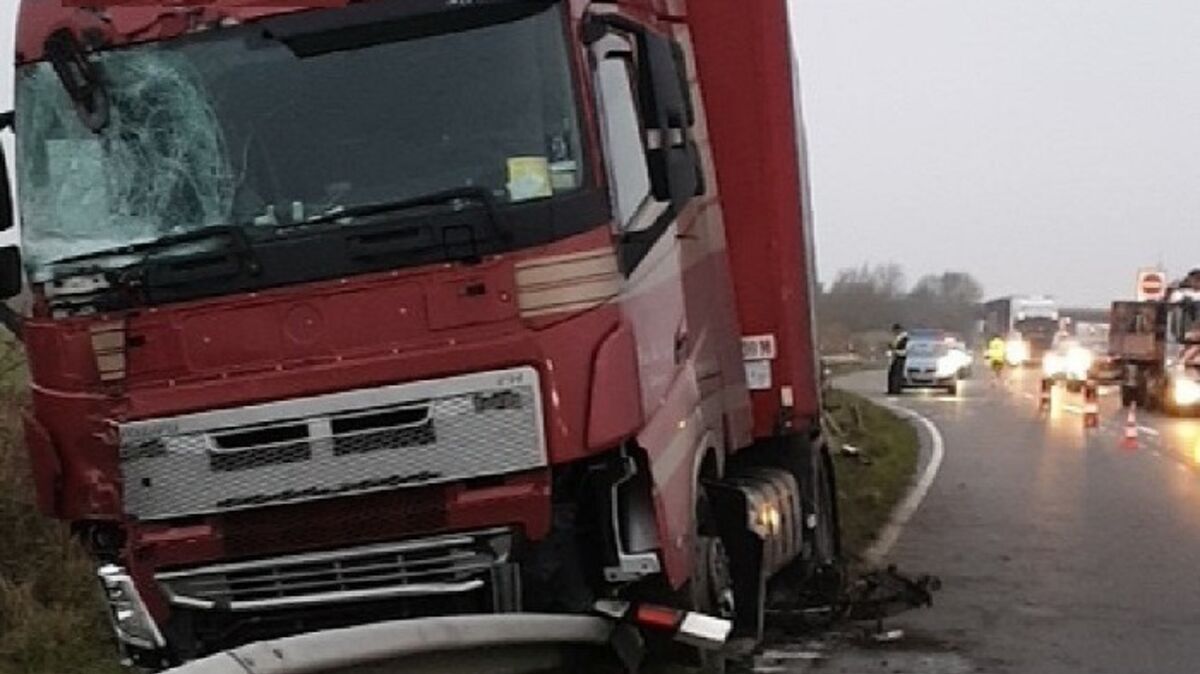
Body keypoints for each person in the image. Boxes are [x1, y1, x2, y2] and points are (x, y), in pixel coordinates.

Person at [887, 323, 908, 394]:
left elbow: (903, 349)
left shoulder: (904, 338)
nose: (894, 332)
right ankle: (892, 389)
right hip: (895, 357)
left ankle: (896, 390)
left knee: (897, 375)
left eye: (895, 330)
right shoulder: (898, 337)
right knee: (892, 374)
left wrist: (894, 350)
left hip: (900, 357)